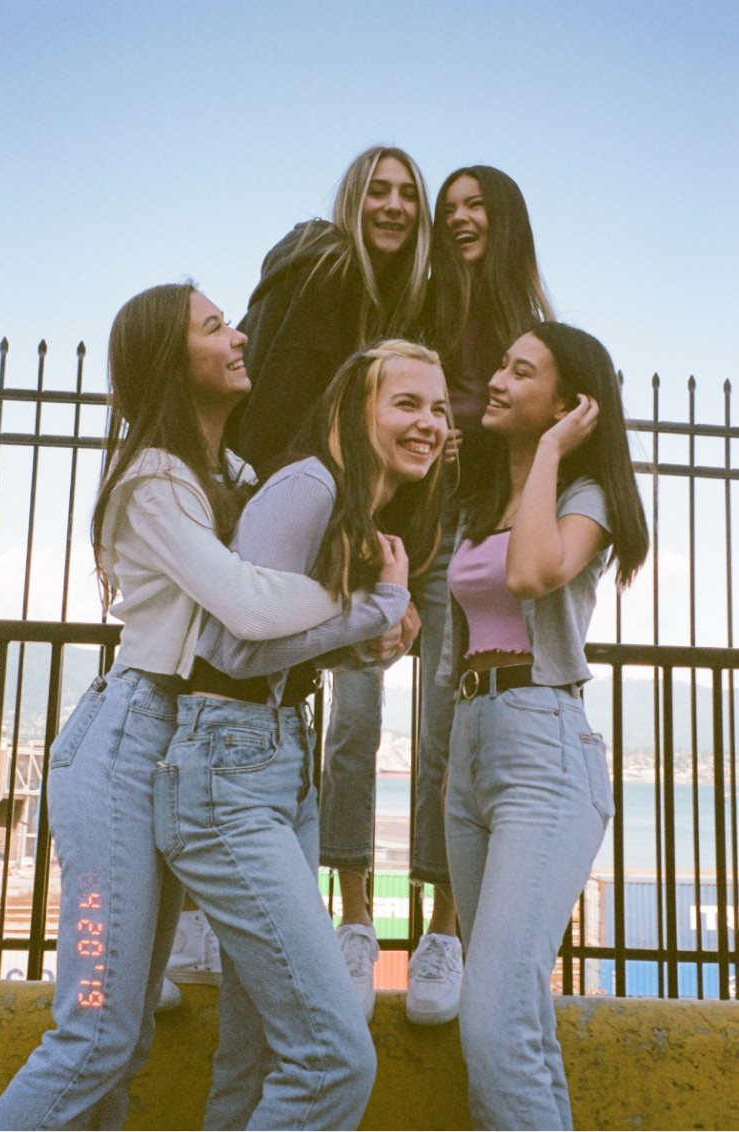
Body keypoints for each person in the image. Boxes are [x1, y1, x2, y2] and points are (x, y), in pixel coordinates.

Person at [0, 282, 362, 1131]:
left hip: (192, 751)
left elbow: (268, 626)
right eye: (214, 326)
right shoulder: (152, 482)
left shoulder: (232, 476)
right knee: (96, 1031)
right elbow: (249, 607)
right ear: (170, 360)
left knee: (133, 1040)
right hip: (121, 753)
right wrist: (356, 596)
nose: (239, 338)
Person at [153, 339, 448, 1129]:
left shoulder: (358, 507)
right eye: (408, 403)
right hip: (227, 767)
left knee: (253, 1063)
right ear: (359, 408)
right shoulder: (309, 485)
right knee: (334, 1060)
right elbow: (235, 644)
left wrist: (368, 639)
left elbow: (287, 644)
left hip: (276, 761)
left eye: (441, 408)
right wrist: (374, 612)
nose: (431, 423)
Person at [183, 145, 440, 1022]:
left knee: (281, 678)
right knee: (239, 663)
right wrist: (284, 491)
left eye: (409, 194)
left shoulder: (398, 298)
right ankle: (191, 917)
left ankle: (204, 918)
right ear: (352, 197)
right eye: (380, 189)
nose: (395, 206)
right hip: (292, 493)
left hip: (323, 508)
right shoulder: (331, 266)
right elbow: (290, 385)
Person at [440, 323, 649, 1130]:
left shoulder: (581, 499)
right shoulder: (484, 497)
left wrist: (554, 452)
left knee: (491, 1020)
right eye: (500, 363)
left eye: (519, 372)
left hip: (542, 748)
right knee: (509, 1012)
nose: (496, 379)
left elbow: (531, 575)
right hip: (472, 741)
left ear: (568, 407)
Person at [402, 165, 555, 1025]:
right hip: (407, 531)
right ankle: (368, 922)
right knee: (357, 723)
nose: (460, 220)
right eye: (449, 209)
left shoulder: (528, 329)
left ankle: (443, 931)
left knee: (449, 736)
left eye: (476, 208)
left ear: (505, 222)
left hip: (475, 538)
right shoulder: (422, 312)